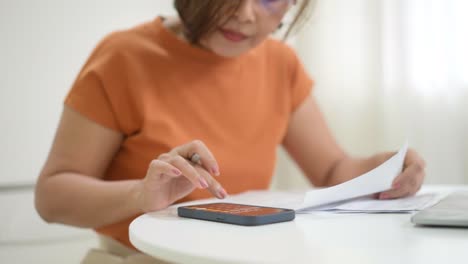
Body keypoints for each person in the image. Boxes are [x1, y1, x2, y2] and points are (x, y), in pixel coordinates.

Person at [34, 0, 426, 263]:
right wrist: (141, 193)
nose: (245, 14)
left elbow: (332, 170)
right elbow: (52, 197)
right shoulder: (123, 57)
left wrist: (386, 168)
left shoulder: (280, 63)